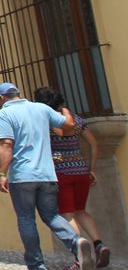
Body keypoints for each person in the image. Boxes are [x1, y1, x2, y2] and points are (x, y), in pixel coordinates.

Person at [0, 82, 92, 270]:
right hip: (48, 175)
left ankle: (36, 265)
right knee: (52, 216)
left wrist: (1, 173)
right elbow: (70, 125)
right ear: (18, 94)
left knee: (26, 219)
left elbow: (6, 144)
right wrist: (64, 108)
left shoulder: (5, 113)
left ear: (1, 98)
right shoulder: (41, 108)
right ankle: (76, 242)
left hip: (23, 177)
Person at [35, 88, 110, 268]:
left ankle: (80, 254)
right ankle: (99, 244)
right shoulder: (76, 119)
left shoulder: (48, 119)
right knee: (81, 211)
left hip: (61, 172)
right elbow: (94, 144)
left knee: (68, 214)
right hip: (81, 171)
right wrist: (91, 169)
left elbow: (60, 133)